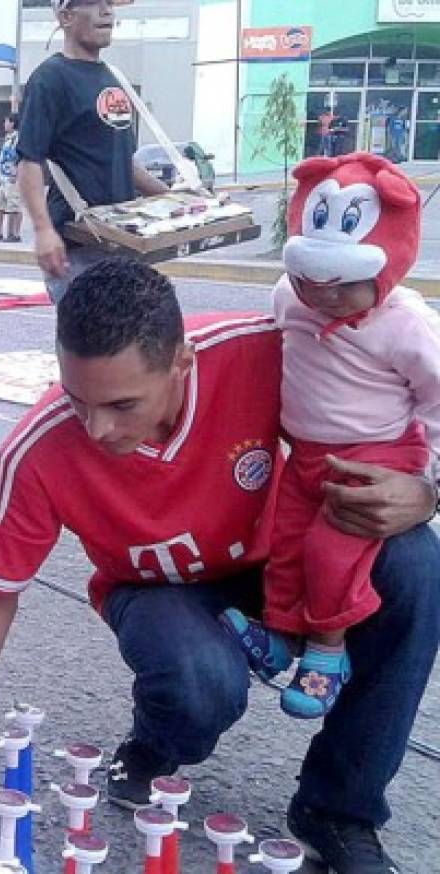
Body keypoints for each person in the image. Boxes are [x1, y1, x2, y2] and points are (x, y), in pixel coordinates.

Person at [0, 257, 439, 874]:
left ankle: (339, 809)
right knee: (198, 683)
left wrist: (426, 491)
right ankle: (155, 745)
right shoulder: (39, 450)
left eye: (123, 405)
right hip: (157, 592)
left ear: (182, 363)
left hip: (281, 569)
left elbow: (406, 379)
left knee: (416, 563)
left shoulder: (265, 351)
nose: (96, 428)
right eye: (78, 398)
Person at [219, 153, 440, 727]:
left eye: (343, 286)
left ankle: (327, 653)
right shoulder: (288, 298)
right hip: (307, 456)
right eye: (308, 280)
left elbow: (438, 399)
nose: (324, 297)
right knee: (287, 543)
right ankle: (281, 639)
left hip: (377, 455)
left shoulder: (406, 325)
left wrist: (428, 480)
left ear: (387, 269)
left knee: (331, 549)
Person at [15, 0, 168, 302]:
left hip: (121, 242)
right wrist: (43, 231)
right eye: (94, 3)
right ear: (66, 17)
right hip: (79, 248)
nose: (107, 11)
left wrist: (177, 198)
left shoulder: (112, 77)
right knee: (89, 347)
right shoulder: (50, 78)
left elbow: (124, 163)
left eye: (109, 4)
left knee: (127, 346)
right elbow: (29, 160)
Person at [0, 113, 23, 244]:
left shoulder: (18, 138)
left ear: (13, 123)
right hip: (4, 178)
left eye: (7, 121)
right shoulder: (8, 138)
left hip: (13, 178)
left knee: (14, 205)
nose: (4, 124)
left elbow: (22, 155)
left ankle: (15, 234)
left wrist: (17, 171)